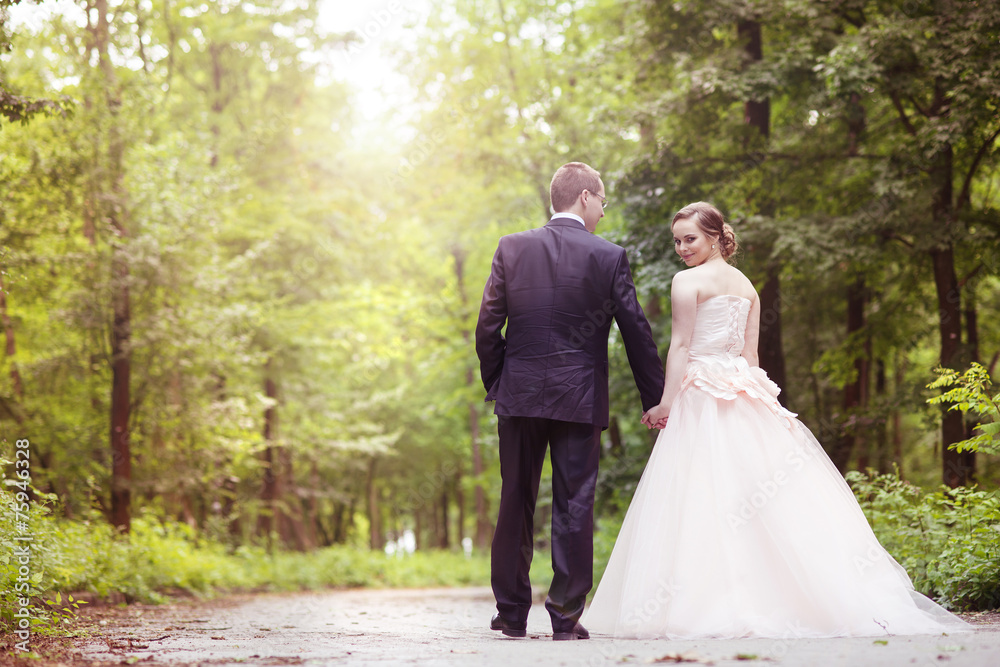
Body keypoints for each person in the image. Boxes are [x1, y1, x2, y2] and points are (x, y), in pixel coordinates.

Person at [581, 201, 971, 638]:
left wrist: (667, 402)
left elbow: (680, 346)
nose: (681, 248)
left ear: (714, 237)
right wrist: (763, 401)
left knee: (700, 492)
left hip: (703, 391)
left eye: (690, 238)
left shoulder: (686, 281)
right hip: (742, 389)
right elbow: (750, 358)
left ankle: (702, 603)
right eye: (677, 240)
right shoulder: (748, 286)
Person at [475, 162, 665, 640]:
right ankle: (564, 617)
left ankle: (512, 613)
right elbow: (636, 330)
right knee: (574, 503)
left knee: (514, 498)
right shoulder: (608, 256)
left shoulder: (512, 247)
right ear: (584, 197)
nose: (603, 209)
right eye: (602, 200)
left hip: (519, 396)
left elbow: (486, 326)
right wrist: (656, 398)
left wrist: (500, 381)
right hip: (578, 397)